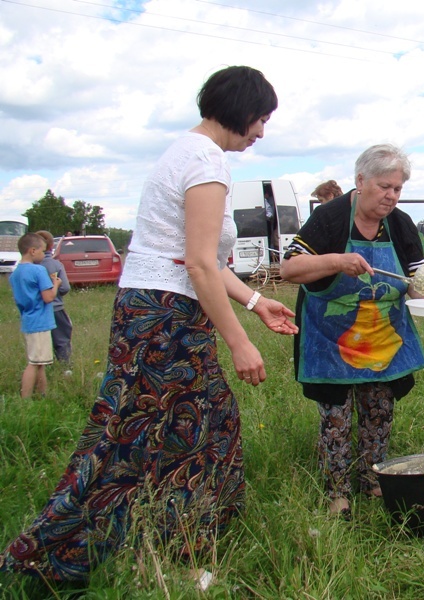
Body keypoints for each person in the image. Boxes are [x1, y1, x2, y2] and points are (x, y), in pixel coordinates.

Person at [1, 66, 298, 582]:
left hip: (158, 308)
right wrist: (239, 343)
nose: (261, 132)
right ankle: (46, 561)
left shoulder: (187, 152)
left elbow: (200, 261)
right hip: (164, 319)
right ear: (241, 109)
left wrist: (256, 302)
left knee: (206, 425)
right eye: (261, 119)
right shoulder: (206, 161)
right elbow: (200, 263)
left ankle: (179, 541)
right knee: (127, 439)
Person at [280, 144, 424, 519]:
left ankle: (373, 479)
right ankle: (337, 492)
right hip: (330, 335)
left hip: (381, 336)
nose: (391, 195)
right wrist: (337, 261)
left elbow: (412, 281)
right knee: (336, 416)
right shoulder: (330, 218)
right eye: (384, 186)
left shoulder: (401, 224)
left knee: (379, 410)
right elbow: (290, 269)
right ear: (360, 181)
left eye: (398, 188)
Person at [9, 232, 62, 398]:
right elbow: (48, 297)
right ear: (32, 251)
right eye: (42, 251)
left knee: (40, 362)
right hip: (40, 321)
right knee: (34, 363)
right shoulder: (39, 271)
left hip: (28, 320)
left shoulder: (15, 273)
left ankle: (43, 394)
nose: (44, 254)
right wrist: (55, 284)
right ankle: (25, 399)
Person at [35, 230, 73, 366]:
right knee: (62, 340)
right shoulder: (56, 265)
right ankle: (65, 367)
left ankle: (42, 367)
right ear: (51, 246)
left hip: (36, 311)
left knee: (39, 343)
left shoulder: (31, 266)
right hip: (56, 309)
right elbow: (65, 288)